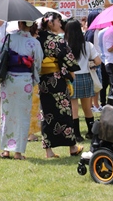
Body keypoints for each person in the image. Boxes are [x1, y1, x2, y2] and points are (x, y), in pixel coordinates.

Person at [37, 12, 84, 158]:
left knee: (46, 113)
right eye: (58, 21)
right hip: (56, 79)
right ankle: (72, 147)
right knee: (64, 111)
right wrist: (69, 72)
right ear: (51, 23)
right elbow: (69, 60)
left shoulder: (36, 40)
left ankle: (49, 151)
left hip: (42, 80)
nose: (60, 24)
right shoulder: (57, 40)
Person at [0, 21, 43, 160]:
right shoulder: (34, 42)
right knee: (23, 115)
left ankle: (6, 150)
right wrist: (35, 77)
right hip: (25, 81)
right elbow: (38, 63)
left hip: (8, 79)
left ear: (19, 23)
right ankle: (18, 152)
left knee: (6, 113)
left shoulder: (8, 38)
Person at [65, 19, 101, 142]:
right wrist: (90, 62)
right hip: (86, 77)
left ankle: (77, 134)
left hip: (72, 77)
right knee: (87, 108)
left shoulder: (65, 45)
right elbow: (98, 61)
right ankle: (91, 133)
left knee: (74, 108)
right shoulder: (87, 45)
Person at [84, 11, 103, 112]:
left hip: (91, 61)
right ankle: (96, 105)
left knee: (94, 84)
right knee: (97, 84)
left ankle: (93, 104)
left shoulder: (88, 31)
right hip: (95, 61)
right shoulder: (94, 32)